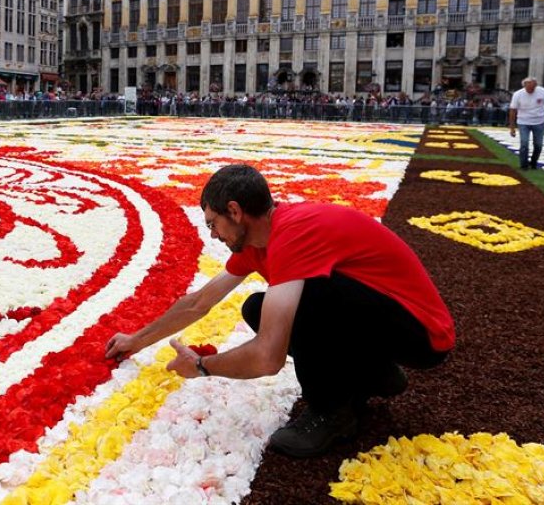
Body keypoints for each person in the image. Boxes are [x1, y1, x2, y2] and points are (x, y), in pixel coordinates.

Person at [105, 165, 455, 458]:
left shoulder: (293, 234)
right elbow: (199, 302)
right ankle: (376, 372)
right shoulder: (260, 239)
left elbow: (267, 357)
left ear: (235, 211)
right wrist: (136, 340)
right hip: (386, 322)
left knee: (305, 300)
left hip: (424, 335)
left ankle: (331, 413)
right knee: (259, 307)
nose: (212, 235)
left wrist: (200, 367)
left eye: (213, 223)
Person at [508, 77, 544, 170]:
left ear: (536, 86)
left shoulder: (542, 92)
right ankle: (523, 165)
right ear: (524, 86)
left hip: (539, 121)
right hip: (523, 121)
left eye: (533, 87)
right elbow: (512, 111)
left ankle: (533, 162)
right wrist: (512, 128)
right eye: (529, 88)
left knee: (538, 145)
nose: (531, 90)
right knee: (524, 143)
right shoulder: (518, 94)